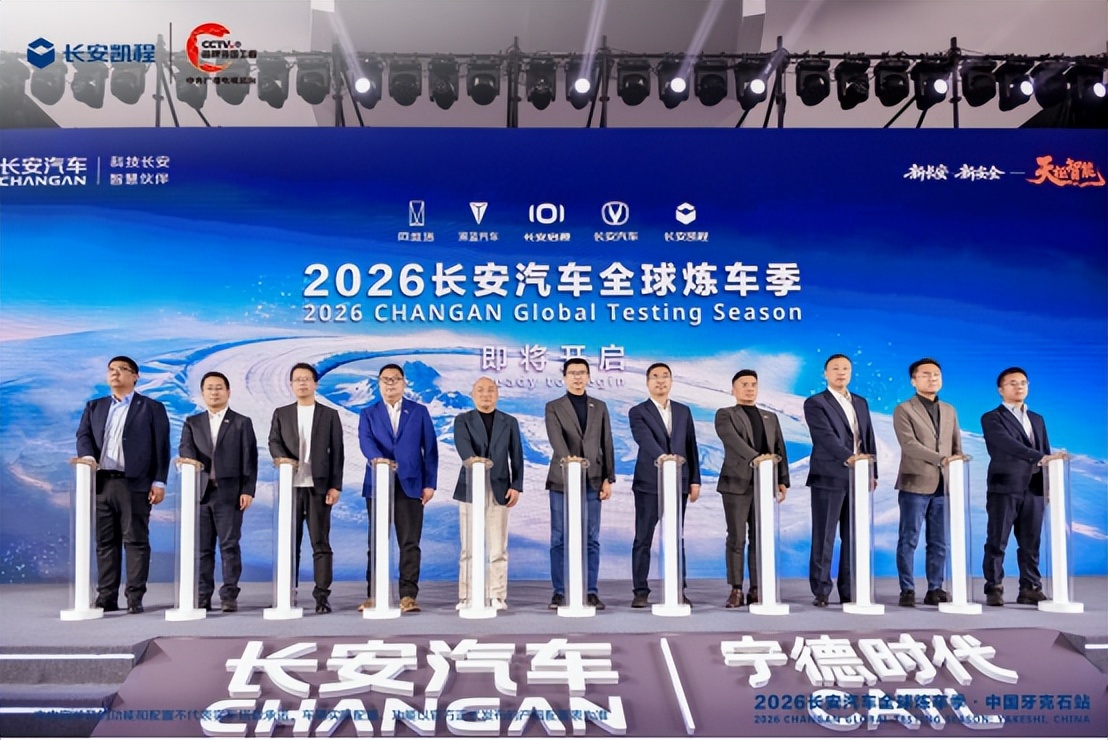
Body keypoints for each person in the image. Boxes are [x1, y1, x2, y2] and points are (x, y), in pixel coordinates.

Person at [76, 355, 170, 614]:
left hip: (134, 484)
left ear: (135, 376)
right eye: (111, 369)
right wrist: (88, 457)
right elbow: (83, 436)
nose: (115, 373)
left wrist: (159, 481)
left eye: (121, 369)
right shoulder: (95, 407)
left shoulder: (151, 408)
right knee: (105, 542)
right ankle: (106, 596)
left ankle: (134, 597)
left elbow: (162, 447)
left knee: (136, 540)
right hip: (101, 483)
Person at [358, 363, 438, 614]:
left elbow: (430, 449)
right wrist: (378, 460)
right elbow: (365, 441)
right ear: (378, 383)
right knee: (376, 542)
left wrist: (429, 483)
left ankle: (408, 596)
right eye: (386, 379)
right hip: (377, 484)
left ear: (404, 383)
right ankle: (374, 595)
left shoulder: (419, 412)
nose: (390, 383)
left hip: (411, 484)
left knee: (409, 542)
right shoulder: (368, 413)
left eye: (395, 379)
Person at [178, 371, 258, 613]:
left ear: (228, 392)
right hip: (201, 494)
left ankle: (229, 595)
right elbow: (185, 450)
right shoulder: (193, 422)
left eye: (219, 387)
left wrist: (248, 490)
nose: (214, 392)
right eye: (210, 388)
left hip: (230, 494)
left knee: (229, 546)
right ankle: (203, 596)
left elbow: (250, 459)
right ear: (203, 393)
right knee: (203, 549)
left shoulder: (241, 422)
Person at [267, 363, 344, 614]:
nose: (302, 383)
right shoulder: (282, 413)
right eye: (297, 379)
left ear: (315, 383)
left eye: (306, 379)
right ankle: (288, 592)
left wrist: (335, 486)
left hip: (319, 487)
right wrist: (282, 459)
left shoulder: (329, 414)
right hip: (291, 487)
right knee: (290, 543)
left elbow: (338, 453)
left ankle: (322, 595)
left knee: (320, 543)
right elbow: (273, 441)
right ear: (291, 384)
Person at [980, 367, 1060, 607]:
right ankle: (994, 586)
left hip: (1034, 488)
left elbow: (1045, 450)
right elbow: (1006, 444)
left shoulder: (1037, 419)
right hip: (1005, 486)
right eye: (1013, 383)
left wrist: (1048, 484)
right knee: (997, 540)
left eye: (1023, 382)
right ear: (1000, 389)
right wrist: (1039, 457)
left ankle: (1030, 587)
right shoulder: (992, 418)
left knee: (1031, 542)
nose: (1019, 387)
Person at [802, 353, 877, 608]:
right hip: (828, 476)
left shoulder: (861, 402)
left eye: (845, 368)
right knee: (824, 536)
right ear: (826, 374)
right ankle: (821, 590)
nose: (841, 372)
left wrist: (872, 471)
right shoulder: (816, 403)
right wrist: (850, 457)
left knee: (853, 536)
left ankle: (849, 589)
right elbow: (824, 437)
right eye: (835, 368)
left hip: (858, 476)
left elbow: (868, 437)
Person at [544, 357, 616, 610]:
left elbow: (606, 443)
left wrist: (608, 478)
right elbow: (556, 439)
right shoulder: (553, 407)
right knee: (559, 537)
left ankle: (591, 591)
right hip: (562, 481)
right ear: (564, 377)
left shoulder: (600, 406)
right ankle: (560, 592)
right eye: (572, 373)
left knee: (591, 537)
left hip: (592, 481)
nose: (577, 377)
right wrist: (569, 461)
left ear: (588, 377)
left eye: (582, 373)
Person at [714, 369, 789, 608]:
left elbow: (779, 448)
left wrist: (782, 479)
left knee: (759, 537)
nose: (749, 388)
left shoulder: (770, 417)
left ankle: (757, 588)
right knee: (736, 537)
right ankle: (736, 588)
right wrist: (756, 458)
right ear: (733, 389)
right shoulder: (725, 414)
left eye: (753, 384)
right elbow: (731, 440)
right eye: (744, 384)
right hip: (736, 483)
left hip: (764, 484)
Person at [628, 362, 701, 608]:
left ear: (671, 381)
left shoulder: (683, 411)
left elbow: (691, 445)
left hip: (679, 483)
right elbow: (644, 439)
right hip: (649, 483)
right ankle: (640, 591)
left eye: (665, 376)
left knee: (676, 536)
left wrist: (695, 480)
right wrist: (663, 458)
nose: (661, 381)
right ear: (647, 382)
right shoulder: (638, 411)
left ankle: (678, 589)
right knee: (643, 537)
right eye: (655, 377)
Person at [892, 358, 962, 608]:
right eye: (926, 374)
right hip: (915, 483)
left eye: (936, 375)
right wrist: (942, 459)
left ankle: (935, 588)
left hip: (944, 485)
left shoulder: (949, 410)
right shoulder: (904, 409)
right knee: (909, 539)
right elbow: (909, 445)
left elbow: (956, 444)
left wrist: (956, 462)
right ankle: (907, 589)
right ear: (914, 380)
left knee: (939, 541)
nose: (932, 378)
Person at [452, 376, 524, 610]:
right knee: (469, 546)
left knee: (497, 546)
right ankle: (467, 596)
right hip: (470, 488)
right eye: (481, 390)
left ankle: (497, 594)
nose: (486, 394)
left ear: (497, 394)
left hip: (500, 488)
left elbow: (517, 455)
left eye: (491, 390)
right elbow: (463, 448)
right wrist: (474, 461)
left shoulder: (509, 422)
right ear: (473, 395)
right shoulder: (462, 420)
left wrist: (517, 485)